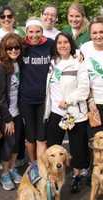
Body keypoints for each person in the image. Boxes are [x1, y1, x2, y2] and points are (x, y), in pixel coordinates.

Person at [45, 32, 90, 193]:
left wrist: (69, 100)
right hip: (56, 113)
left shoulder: (78, 63)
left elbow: (84, 89)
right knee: (53, 148)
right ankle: (53, 180)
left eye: (66, 42)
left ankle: (77, 176)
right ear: (55, 46)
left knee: (77, 148)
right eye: (59, 43)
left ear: (71, 44)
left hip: (74, 113)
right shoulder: (52, 63)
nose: (62, 45)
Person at [20, 18, 54, 168]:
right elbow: (2, 51)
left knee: (42, 137)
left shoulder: (50, 44)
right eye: (31, 32)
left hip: (44, 99)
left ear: (42, 31)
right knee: (30, 137)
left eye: (37, 31)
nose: (34, 35)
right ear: (26, 32)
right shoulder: (20, 45)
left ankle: (40, 167)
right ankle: (32, 163)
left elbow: (67, 49)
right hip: (25, 99)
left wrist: (79, 55)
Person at [0, 33, 23, 190]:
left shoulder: (19, 63)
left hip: (18, 112)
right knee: (8, 144)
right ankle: (5, 173)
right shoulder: (2, 68)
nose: (13, 50)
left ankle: (12, 168)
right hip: (7, 114)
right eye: (9, 48)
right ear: (4, 49)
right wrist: (7, 118)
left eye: (16, 47)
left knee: (16, 143)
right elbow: (0, 97)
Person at [80, 16, 103, 135]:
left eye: (101, 32)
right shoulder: (85, 48)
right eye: (94, 33)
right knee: (96, 143)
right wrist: (90, 100)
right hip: (93, 103)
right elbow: (82, 76)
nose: (98, 36)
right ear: (90, 34)